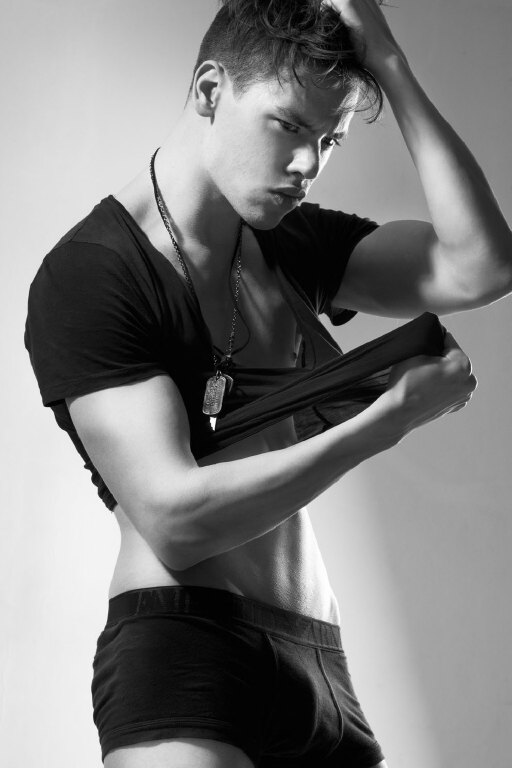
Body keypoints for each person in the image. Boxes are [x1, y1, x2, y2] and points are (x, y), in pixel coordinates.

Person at [24, 1, 511, 766]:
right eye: (288, 126)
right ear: (210, 91)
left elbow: (481, 265)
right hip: (186, 650)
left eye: (330, 140)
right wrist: (387, 420)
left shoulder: (291, 245)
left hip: (321, 664)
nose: (307, 165)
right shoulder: (95, 272)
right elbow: (176, 519)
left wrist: (390, 63)